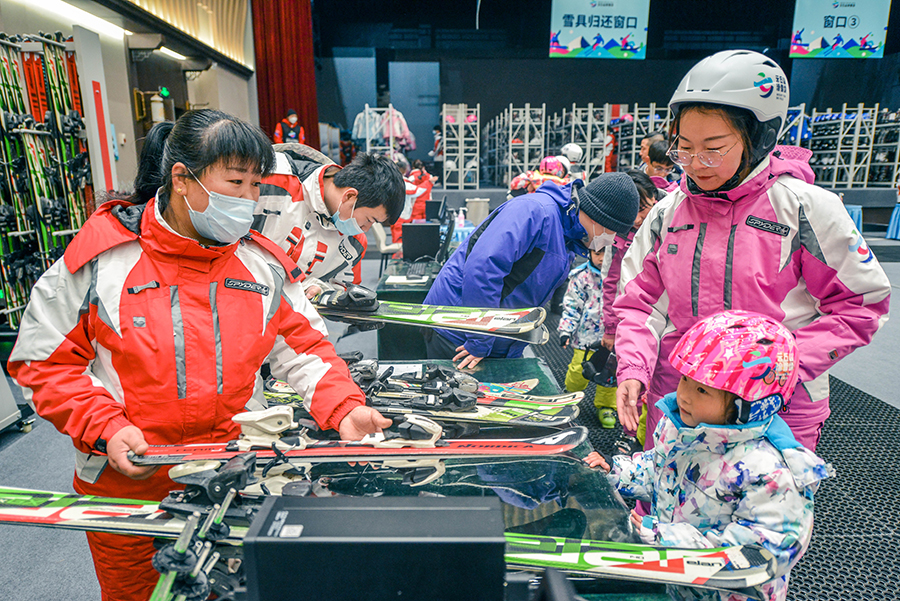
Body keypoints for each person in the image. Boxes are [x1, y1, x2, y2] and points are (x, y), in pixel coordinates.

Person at [6, 110, 393, 601]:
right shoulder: (102, 259)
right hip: (127, 486)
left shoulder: (260, 264)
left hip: (231, 478)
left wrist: (344, 407)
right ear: (182, 179)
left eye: (256, 185)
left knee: (234, 590)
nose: (249, 200)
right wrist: (104, 426)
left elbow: (306, 348)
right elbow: (43, 362)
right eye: (236, 182)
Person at [612, 50, 891, 454]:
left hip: (776, 406)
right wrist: (634, 367)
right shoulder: (667, 213)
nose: (696, 164)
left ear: (758, 138)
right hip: (681, 399)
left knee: (765, 495)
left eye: (713, 149)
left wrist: (778, 367)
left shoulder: (804, 208)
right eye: (684, 149)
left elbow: (860, 305)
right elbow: (639, 306)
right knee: (667, 491)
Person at [586, 310, 833, 601]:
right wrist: (617, 472)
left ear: (747, 404)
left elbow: (763, 551)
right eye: (684, 379)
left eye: (702, 390)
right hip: (674, 580)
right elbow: (658, 469)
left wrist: (667, 539)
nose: (684, 395)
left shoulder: (770, 472)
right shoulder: (682, 428)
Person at [424, 172, 640, 369]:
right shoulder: (535, 213)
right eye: (611, 232)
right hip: (460, 333)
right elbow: (483, 269)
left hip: (493, 337)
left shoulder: (568, 236)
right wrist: (480, 340)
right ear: (598, 217)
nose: (610, 240)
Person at [252, 144, 405, 298]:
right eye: (369, 220)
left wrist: (321, 290)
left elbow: (345, 293)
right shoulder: (271, 178)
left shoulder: (355, 244)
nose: (366, 229)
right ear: (349, 196)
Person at [598, 170, 659, 453]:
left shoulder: (671, 217)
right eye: (632, 212)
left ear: (655, 197)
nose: (637, 219)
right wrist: (611, 327)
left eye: (643, 209)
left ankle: (650, 441)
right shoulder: (620, 235)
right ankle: (631, 433)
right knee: (633, 378)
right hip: (636, 316)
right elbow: (612, 281)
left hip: (667, 318)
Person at [558, 246, 617, 427]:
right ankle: (570, 396)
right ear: (589, 253)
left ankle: (607, 406)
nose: (602, 258)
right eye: (597, 253)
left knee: (610, 373)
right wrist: (566, 330)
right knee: (578, 370)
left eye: (606, 253)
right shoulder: (581, 276)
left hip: (613, 339)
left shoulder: (622, 274)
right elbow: (572, 306)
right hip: (586, 338)